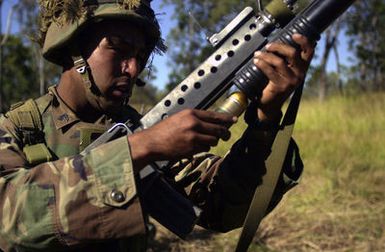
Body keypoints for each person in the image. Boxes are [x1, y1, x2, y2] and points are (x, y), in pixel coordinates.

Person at [0, 0, 314, 251]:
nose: (134, 68)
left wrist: (265, 121)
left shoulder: (138, 125)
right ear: (74, 49)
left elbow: (222, 209)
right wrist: (141, 148)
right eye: (119, 50)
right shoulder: (16, 129)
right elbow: (8, 219)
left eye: (140, 56)